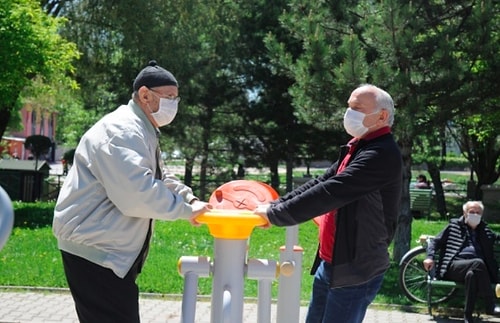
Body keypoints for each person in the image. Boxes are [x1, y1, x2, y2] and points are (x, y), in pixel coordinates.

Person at [53, 60, 211, 323]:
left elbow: (160, 177)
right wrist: (185, 211)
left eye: (176, 98)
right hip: (96, 251)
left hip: (105, 249)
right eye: (168, 97)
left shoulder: (141, 129)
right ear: (145, 95)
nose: (174, 105)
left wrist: (190, 199)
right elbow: (138, 193)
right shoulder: (122, 131)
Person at [254, 84, 402, 323]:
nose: (349, 113)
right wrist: (276, 206)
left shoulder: (381, 153)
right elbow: (322, 181)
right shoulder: (358, 146)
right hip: (331, 263)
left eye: (357, 108)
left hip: (356, 270)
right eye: (349, 107)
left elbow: (331, 192)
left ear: (382, 116)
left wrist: (275, 214)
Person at [423, 201, 500, 322]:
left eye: (478, 212)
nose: (475, 215)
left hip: (476, 270)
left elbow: (496, 237)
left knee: (472, 275)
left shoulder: (485, 230)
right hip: (454, 267)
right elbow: (435, 242)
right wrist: (430, 257)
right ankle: (490, 305)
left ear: (482, 214)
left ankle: (467, 317)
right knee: (478, 263)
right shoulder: (453, 225)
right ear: (465, 213)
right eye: (471, 212)